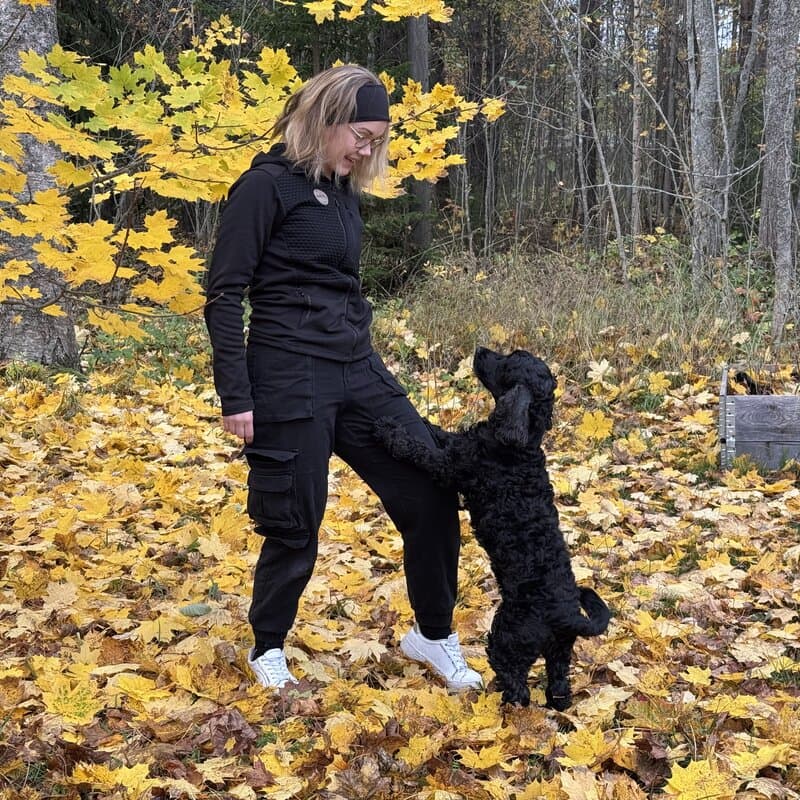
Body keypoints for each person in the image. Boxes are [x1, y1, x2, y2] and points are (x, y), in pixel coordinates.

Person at [204, 64, 482, 693]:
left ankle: (432, 637)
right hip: (286, 375)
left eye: (376, 140)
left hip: (358, 371)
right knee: (295, 518)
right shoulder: (264, 188)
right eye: (360, 135)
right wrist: (236, 394)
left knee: (431, 490)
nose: (367, 150)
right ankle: (267, 648)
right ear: (323, 120)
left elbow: (339, 285)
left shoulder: (343, 188)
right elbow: (224, 295)